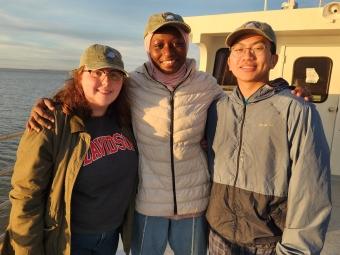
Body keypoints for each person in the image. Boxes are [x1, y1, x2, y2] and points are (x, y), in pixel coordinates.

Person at [24, 14, 311, 255]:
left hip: (196, 203)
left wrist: (282, 88)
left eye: (177, 43)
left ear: (187, 44)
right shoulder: (132, 83)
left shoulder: (206, 84)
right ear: (148, 47)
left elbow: (242, 101)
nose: (168, 51)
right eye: (159, 44)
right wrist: (52, 102)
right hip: (148, 204)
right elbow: (94, 94)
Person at [205, 21, 332, 255]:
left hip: (268, 242)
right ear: (230, 62)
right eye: (239, 49)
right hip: (219, 237)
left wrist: (296, 249)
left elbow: (312, 187)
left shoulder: (296, 109)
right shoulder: (216, 108)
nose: (247, 56)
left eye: (258, 47)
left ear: (273, 59)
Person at [0, 44, 138, 255]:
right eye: (97, 72)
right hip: (67, 240)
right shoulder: (50, 122)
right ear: (79, 76)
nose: (107, 81)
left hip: (111, 237)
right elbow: (26, 194)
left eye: (115, 74)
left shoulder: (125, 120)